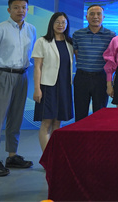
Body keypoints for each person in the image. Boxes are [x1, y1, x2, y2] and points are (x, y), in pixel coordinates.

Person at [0, 0, 36, 177]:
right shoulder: (0, 28)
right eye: (16, 7)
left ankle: (12, 155)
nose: (20, 10)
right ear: (9, 10)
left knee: (16, 116)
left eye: (24, 7)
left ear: (27, 9)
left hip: (22, 76)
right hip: (3, 74)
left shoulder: (31, 29)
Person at [32, 12, 74, 151]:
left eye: (63, 22)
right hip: (48, 87)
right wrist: (37, 89)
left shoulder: (69, 42)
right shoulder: (42, 41)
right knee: (46, 122)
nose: (60, 25)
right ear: (52, 23)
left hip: (64, 86)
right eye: (57, 22)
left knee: (57, 122)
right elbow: (37, 67)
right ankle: (47, 157)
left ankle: (55, 155)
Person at [72, 4, 116, 121]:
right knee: (80, 113)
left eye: (98, 14)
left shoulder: (111, 35)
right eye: (92, 14)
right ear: (86, 17)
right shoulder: (78, 34)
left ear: (103, 17)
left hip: (101, 78)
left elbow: (112, 59)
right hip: (82, 78)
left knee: (100, 115)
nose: (95, 17)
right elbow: (77, 54)